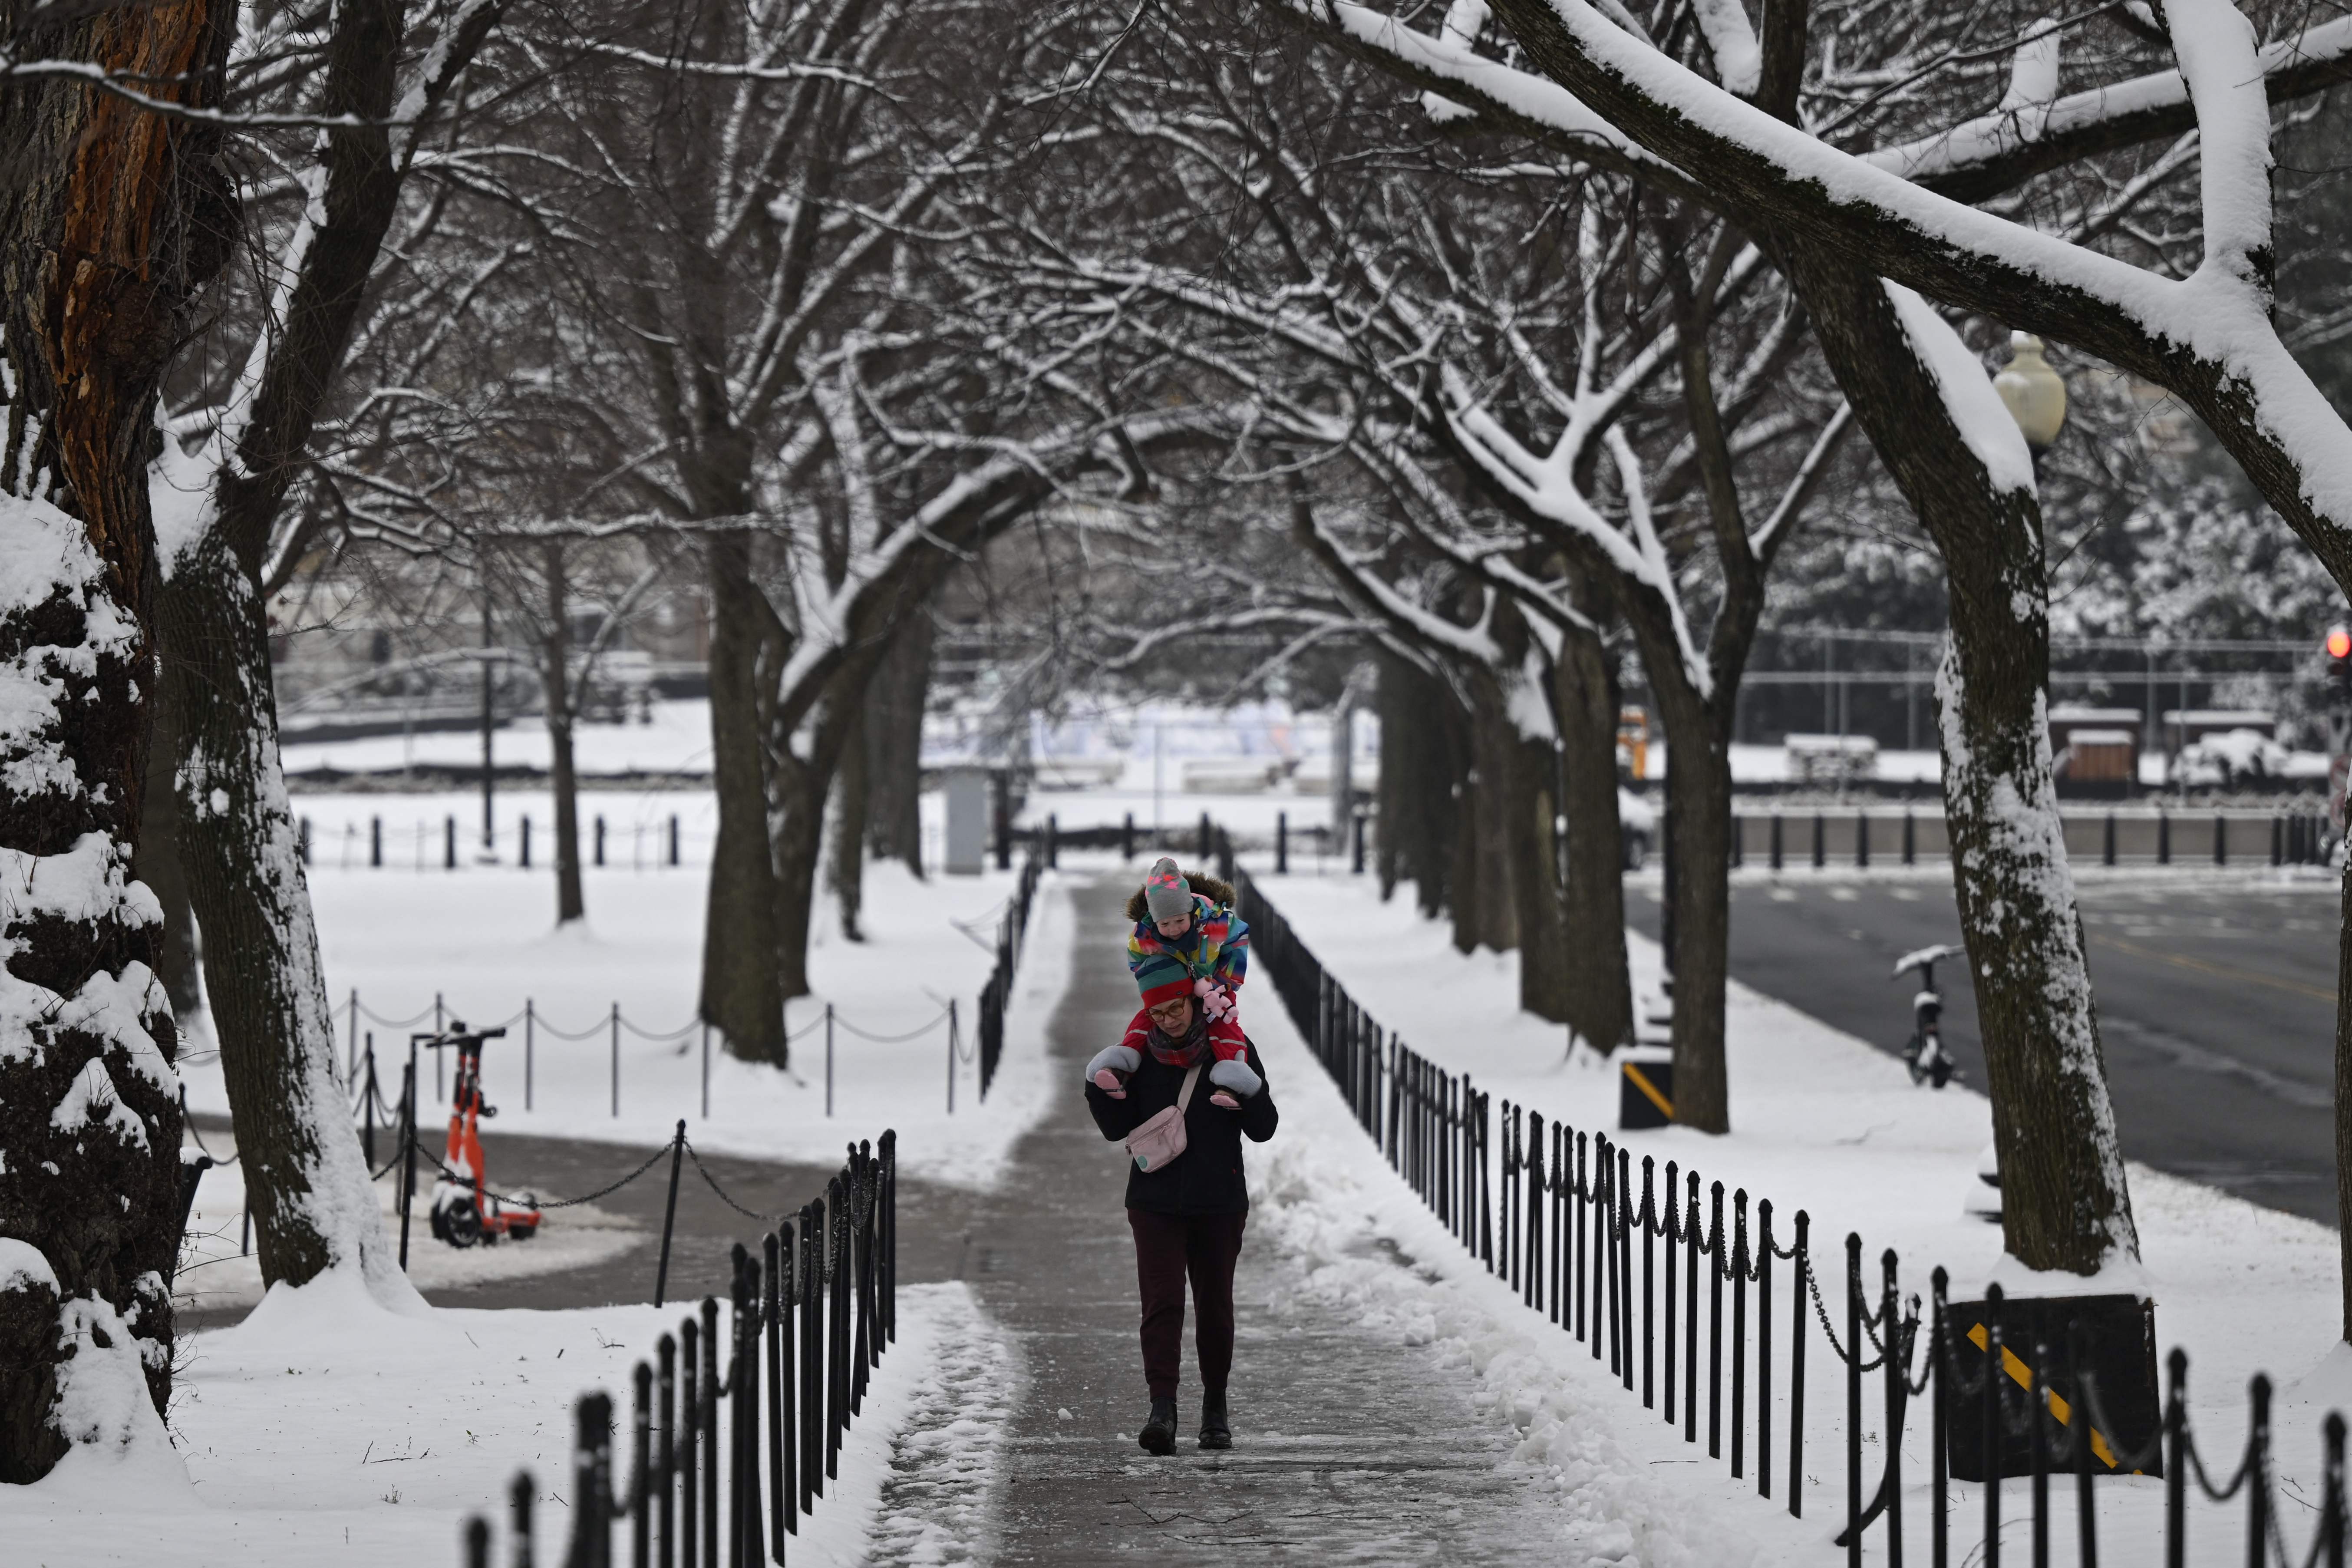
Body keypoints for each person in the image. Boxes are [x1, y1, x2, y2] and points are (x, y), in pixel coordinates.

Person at [1084, 986, 1278, 1455]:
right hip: (1153, 1202)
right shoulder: (1137, 1054)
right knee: (1162, 1303)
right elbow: (1116, 1127)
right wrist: (1097, 1084)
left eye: (1175, 1008)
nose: (1167, 1019)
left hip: (1219, 1202)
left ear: (1195, 1003)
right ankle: (1162, 1410)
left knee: (1214, 1306)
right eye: (1157, 1011)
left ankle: (1215, 1409)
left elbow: (1264, 1126)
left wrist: (1247, 1088)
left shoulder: (1232, 1049)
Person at [1099, 859, 1252, 1107]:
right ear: (1154, 920)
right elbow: (1136, 959)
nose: (1173, 930)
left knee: (1225, 1024)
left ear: (1191, 911)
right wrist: (1155, 978)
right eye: (1165, 924)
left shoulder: (1215, 924)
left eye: (1180, 921)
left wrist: (1224, 983)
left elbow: (1238, 941)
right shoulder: (1145, 934)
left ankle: (1231, 1081)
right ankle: (1121, 1066)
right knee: (1150, 1018)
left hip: (1214, 987)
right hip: (1171, 989)